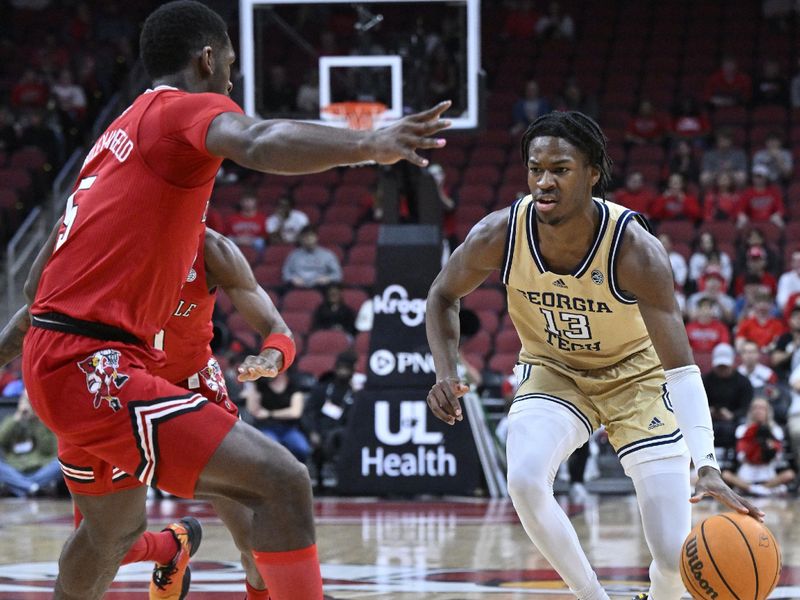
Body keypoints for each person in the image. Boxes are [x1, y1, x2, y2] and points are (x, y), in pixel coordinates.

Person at [18, 2, 451, 599]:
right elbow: (260, 136)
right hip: (97, 365)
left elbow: (31, 286)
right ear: (207, 58)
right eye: (228, 64)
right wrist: (371, 143)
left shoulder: (111, 142)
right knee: (283, 482)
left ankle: (180, 551)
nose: (231, 78)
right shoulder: (182, 111)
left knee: (110, 532)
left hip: (64, 358)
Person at [424, 111, 760, 600]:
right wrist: (444, 370)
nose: (544, 181)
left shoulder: (636, 251)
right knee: (523, 476)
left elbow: (682, 369)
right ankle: (592, 596)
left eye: (560, 169)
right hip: (555, 370)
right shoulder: (501, 233)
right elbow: (441, 295)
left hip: (637, 380)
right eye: (535, 169)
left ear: (592, 172)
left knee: (672, 560)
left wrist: (705, 462)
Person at [302, 350, 358, 490]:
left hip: (341, 433)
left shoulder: (354, 393)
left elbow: (355, 419)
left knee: (339, 436)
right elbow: (308, 412)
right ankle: (319, 480)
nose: (343, 372)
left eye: (347, 369)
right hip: (319, 430)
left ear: (352, 370)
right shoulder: (321, 389)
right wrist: (312, 432)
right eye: (341, 368)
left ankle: (341, 479)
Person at [721, 397, 795, 496]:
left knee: (789, 474)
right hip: (746, 473)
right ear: (750, 411)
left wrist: (771, 450)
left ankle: (761, 488)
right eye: (755, 408)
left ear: (768, 411)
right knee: (725, 475)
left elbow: (780, 459)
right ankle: (753, 489)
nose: (758, 411)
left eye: (762, 408)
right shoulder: (741, 430)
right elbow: (737, 457)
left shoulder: (776, 431)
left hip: (768, 473)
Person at [0, 389, 63, 498]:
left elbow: (49, 449)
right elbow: (1, 439)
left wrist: (37, 420)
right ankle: (33, 488)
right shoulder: (11, 421)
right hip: (15, 469)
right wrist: (17, 419)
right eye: (25, 400)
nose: (27, 405)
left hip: (39, 470)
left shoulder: (45, 422)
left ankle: (21, 487)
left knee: (60, 463)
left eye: (31, 402)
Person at [242, 370, 310, 463]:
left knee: (302, 448)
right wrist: (253, 386)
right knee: (272, 449)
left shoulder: (294, 385)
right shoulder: (261, 385)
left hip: (289, 428)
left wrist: (270, 413)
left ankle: (297, 473)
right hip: (266, 427)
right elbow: (253, 410)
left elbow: (295, 412)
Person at [703, 343, 753, 456]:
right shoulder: (704, 381)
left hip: (734, 420)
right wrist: (708, 412)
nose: (722, 370)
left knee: (743, 426)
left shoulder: (743, 382)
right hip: (709, 420)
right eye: (719, 367)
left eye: (725, 367)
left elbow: (746, 407)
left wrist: (732, 415)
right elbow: (696, 405)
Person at [282, 225, 343, 289]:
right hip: (297, 287)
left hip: (321, 287)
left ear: (316, 237)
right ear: (300, 239)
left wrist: (328, 278)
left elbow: (337, 274)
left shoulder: (327, 255)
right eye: (305, 237)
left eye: (311, 236)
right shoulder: (293, 255)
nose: (308, 239)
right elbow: (286, 273)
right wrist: (292, 278)